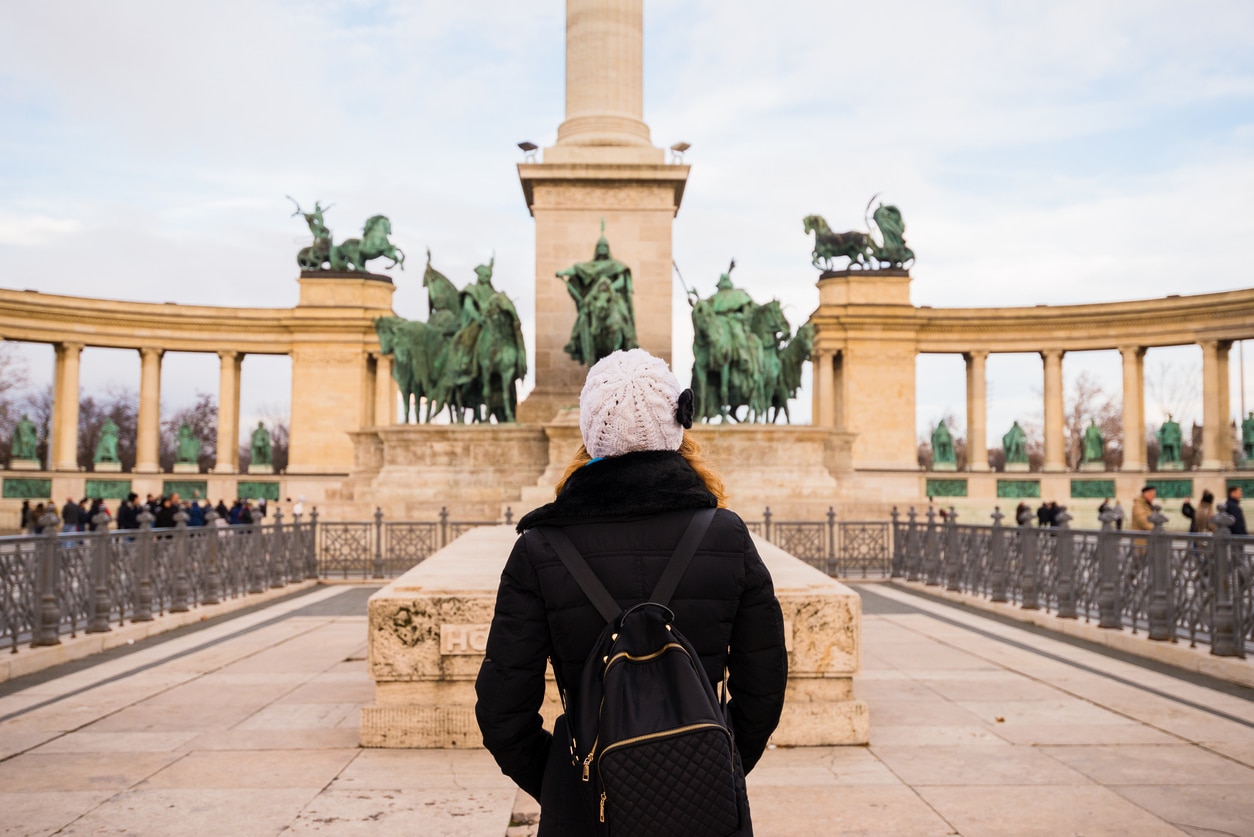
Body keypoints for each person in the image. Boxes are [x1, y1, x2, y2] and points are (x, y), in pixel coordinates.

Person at [475, 349, 788, 836]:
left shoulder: (539, 550)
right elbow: (764, 686)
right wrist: (711, 767)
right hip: (708, 808)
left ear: (589, 433)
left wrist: (572, 784)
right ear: (679, 425)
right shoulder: (727, 535)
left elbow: (501, 710)